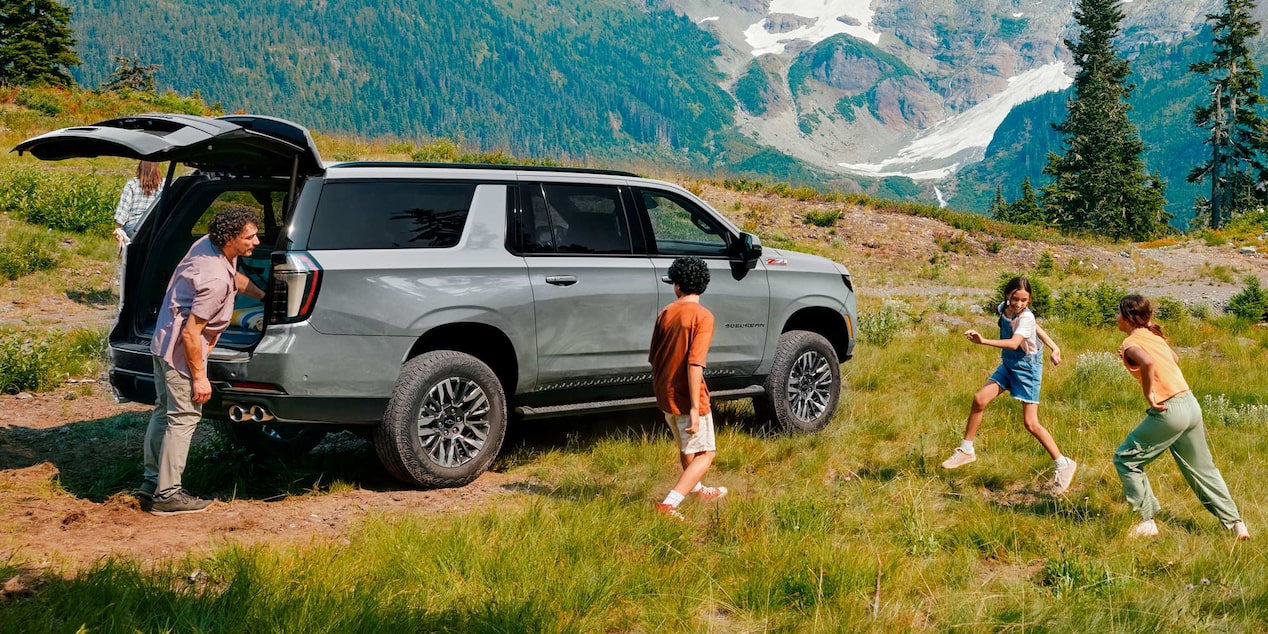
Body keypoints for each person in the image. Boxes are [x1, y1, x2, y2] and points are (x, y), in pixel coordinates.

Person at [140, 205, 265, 515]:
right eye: (250, 237)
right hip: (181, 350)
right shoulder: (214, 280)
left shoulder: (209, 245)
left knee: (164, 412)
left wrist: (266, 296)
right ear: (231, 238)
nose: (257, 241)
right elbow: (191, 333)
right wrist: (200, 378)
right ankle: (168, 495)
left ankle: (151, 484)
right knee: (184, 418)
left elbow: (234, 277)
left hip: (162, 342)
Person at [1112, 294, 1249, 540]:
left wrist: (1149, 393)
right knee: (1203, 468)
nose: (1116, 317)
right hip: (1190, 403)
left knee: (1125, 459)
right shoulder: (1154, 336)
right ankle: (1235, 523)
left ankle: (1146, 521)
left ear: (1129, 318)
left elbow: (1147, 362)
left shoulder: (1131, 343)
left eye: (1119, 313)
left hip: (1169, 410)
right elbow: (1174, 358)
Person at [941, 276, 1078, 496]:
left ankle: (1063, 464)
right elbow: (1036, 328)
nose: (1019, 304)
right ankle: (966, 450)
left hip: (1027, 369)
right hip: (1008, 365)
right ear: (1007, 296)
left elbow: (1015, 343)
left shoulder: (1026, 316)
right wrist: (1054, 346)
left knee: (1031, 423)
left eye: (1024, 300)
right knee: (979, 399)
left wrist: (983, 341)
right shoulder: (1002, 308)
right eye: (1015, 299)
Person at [649, 257, 728, 519]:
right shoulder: (703, 317)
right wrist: (695, 407)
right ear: (703, 284)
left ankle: (698, 491)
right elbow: (695, 363)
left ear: (677, 285)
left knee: (688, 448)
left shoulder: (666, 312)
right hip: (688, 395)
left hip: (665, 393)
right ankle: (668, 505)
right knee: (706, 453)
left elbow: (654, 357)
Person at [113, 161, 164, 248]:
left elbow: (124, 209)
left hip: (134, 227)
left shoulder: (132, 184)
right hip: (155, 226)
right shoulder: (163, 184)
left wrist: (118, 227)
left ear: (140, 168)